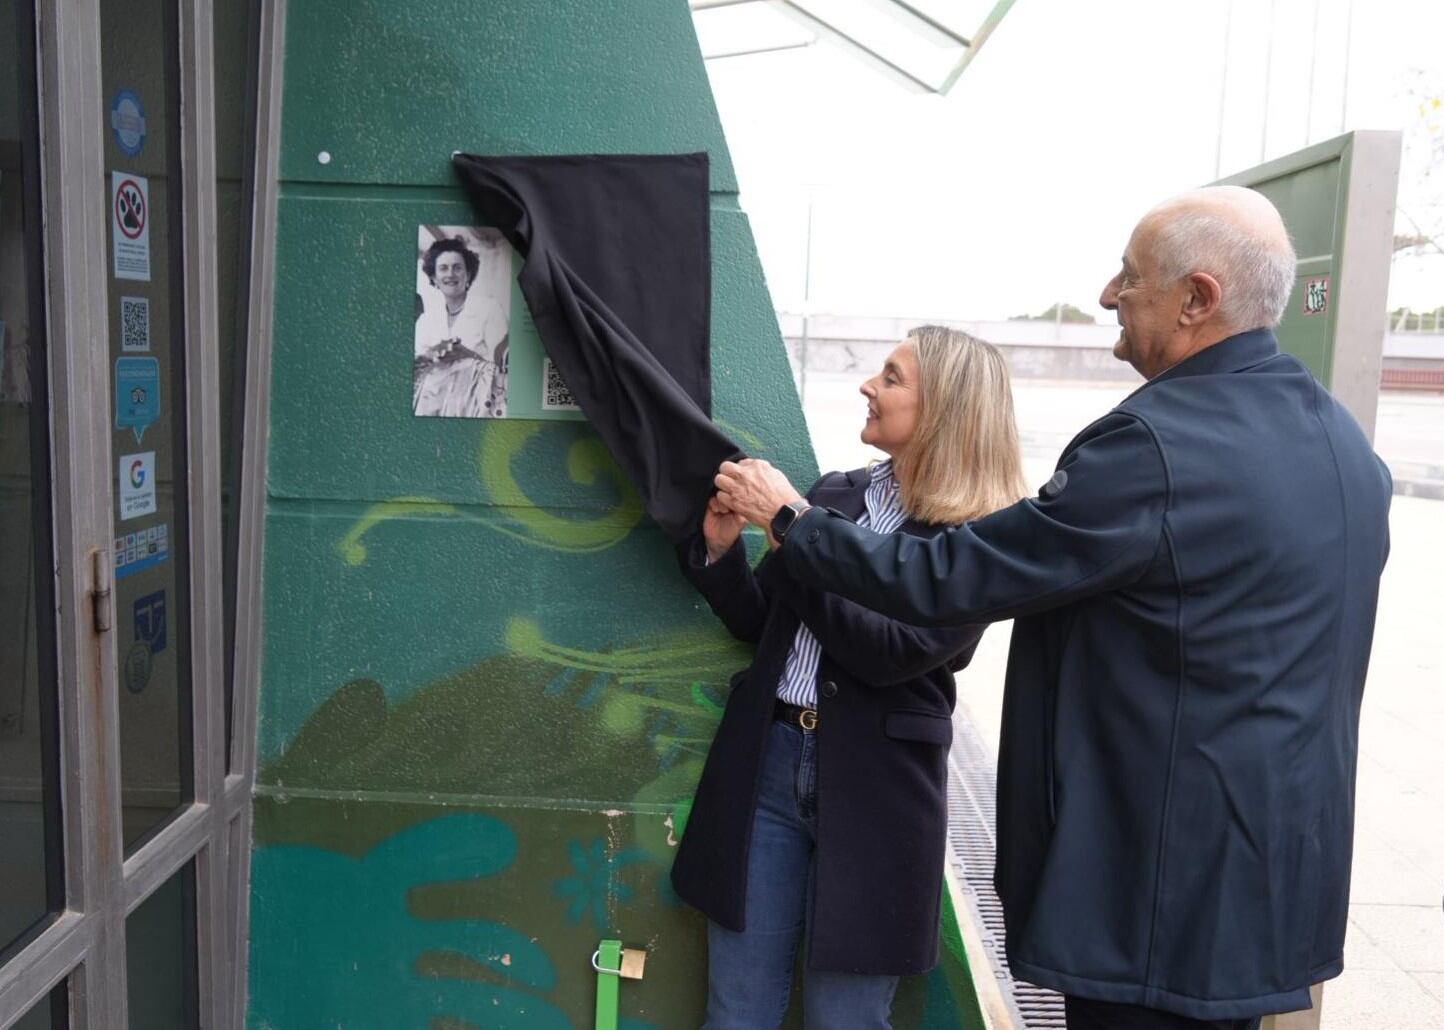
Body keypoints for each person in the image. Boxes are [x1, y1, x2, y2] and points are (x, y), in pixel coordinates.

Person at [713, 186, 1392, 1030]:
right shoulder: (1344, 447)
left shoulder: (1154, 448)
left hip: (1150, 897)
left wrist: (790, 522)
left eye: (1129, 276)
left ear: (1197, 299)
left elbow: (955, 580)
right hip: (1268, 883)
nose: (1108, 294)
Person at [673, 326, 1027, 1029]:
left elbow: (889, 653)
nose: (869, 385)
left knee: (847, 1021)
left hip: (877, 793)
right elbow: (761, 625)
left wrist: (794, 532)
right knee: (735, 1010)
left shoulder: (979, 540)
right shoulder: (835, 495)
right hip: (769, 764)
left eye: (892, 378)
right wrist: (720, 554)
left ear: (946, 410)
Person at [413, 235, 508, 418]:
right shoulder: (426, 319)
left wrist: (468, 355)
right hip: (432, 406)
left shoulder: (489, 308)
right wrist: (430, 354)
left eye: (457, 268)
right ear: (434, 277)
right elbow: (414, 365)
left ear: (468, 274)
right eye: (443, 268)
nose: (450, 274)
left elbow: (504, 365)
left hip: (475, 407)